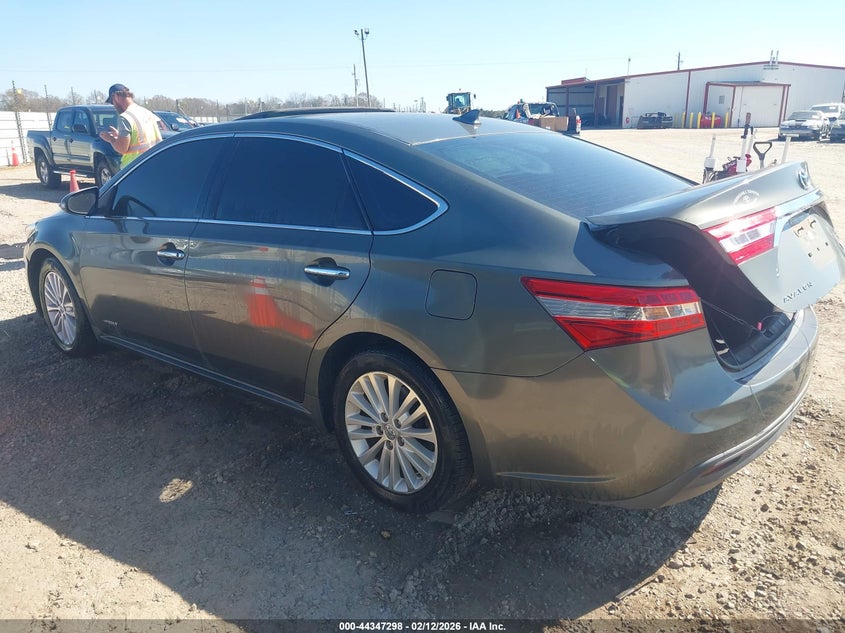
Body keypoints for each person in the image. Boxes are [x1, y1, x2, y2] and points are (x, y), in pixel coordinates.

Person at [99, 83, 162, 168]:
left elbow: (122, 148)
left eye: (112, 102)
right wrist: (119, 135)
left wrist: (110, 138)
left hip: (134, 168)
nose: (113, 105)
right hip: (153, 162)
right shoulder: (146, 112)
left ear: (115, 97)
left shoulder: (125, 117)